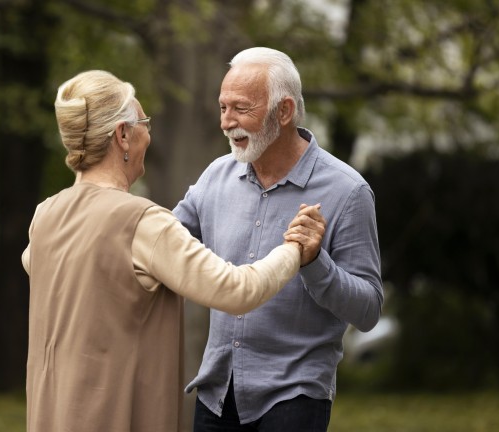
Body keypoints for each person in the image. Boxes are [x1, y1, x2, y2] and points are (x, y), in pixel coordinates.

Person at [21, 70, 325, 432]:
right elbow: (237, 289)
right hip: (115, 416)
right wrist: (295, 249)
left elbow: (38, 265)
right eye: (143, 122)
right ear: (122, 135)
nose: (148, 134)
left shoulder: (45, 216)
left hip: (53, 414)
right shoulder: (141, 222)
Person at [173, 47, 384, 431]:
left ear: (283, 112)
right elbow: (165, 241)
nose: (227, 122)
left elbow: (368, 311)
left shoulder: (348, 191)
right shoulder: (215, 177)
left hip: (295, 396)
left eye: (241, 108)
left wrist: (316, 263)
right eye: (223, 108)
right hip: (216, 394)